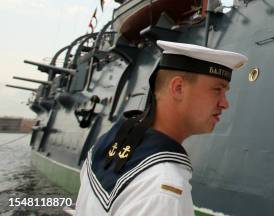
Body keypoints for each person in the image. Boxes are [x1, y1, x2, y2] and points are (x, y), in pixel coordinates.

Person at [75, 40, 247, 215]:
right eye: (217, 90)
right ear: (178, 88)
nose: (225, 103)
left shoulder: (108, 142)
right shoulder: (162, 189)